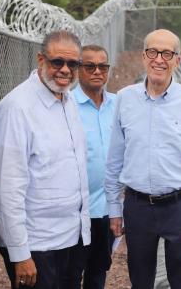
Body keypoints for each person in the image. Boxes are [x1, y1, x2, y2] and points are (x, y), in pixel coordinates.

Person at [105, 29, 181, 289]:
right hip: (138, 207)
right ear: (143, 57)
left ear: (177, 60)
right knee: (140, 280)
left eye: (167, 53)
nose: (159, 59)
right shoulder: (125, 98)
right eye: (153, 52)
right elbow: (114, 159)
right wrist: (114, 208)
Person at [0, 30, 91, 289]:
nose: (65, 70)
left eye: (73, 64)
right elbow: (8, 188)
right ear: (41, 59)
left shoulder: (67, 100)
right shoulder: (17, 108)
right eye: (58, 62)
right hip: (37, 243)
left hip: (69, 236)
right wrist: (20, 253)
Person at [66, 45, 116, 288]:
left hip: (107, 210)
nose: (97, 71)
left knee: (98, 273)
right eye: (90, 66)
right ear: (78, 70)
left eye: (103, 66)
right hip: (78, 211)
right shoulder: (67, 105)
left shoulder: (118, 106)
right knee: (72, 274)